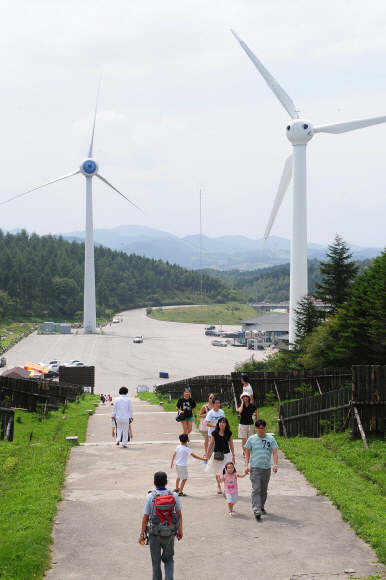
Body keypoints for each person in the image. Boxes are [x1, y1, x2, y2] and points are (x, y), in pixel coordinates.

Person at [139, 471, 183, 580]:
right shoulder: (174, 495)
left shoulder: (150, 496)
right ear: (166, 482)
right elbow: (179, 515)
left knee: (156, 562)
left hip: (154, 533)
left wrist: (141, 534)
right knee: (168, 559)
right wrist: (180, 530)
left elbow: (145, 517)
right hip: (169, 533)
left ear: (154, 482)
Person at [244, 419, 278, 520]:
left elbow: (275, 452)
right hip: (255, 468)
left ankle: (261, 506)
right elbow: (247, 452)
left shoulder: (271, 439)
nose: (260, 430)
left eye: (262, 428)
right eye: (258, 428)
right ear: (256, 428)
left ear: (265, 428)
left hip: (266, 468)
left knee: (263, 490)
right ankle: (256, 510)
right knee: (256, 489)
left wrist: (275, 464)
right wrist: (246, 465)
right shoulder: (251, 439)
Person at [205, 417, 235, 494]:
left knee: (227, 471)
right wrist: (207, 454)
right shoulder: (214, 433)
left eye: (223, 422)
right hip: (216, 454)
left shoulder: (229, 433)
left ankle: (226, 488)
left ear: (226, 424)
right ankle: (219, 486)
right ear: (218, 423)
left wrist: (233, 455)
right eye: (220, 422)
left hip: (226, 453)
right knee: (217, 470)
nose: (222, 424)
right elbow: (211, 444)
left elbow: (231, 444)